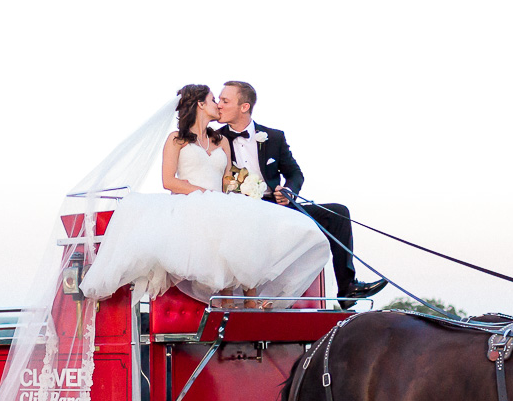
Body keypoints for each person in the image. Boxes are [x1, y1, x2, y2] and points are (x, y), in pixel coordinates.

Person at [80, 85, 333, 304]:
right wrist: (201, 192)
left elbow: (226, 178)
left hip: (220, 201)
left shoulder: (221, 140)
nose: (218, 105)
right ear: (201, 104)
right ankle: (230, 300)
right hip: (191, 201)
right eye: (214, 100)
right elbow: (169, 181)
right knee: (219, 231)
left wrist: (240, 189)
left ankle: (251, 298)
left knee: (249, 225)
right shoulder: (176, 139)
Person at [215, 80, 387, 309]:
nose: (219, 105)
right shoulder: (215, 139)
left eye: (225, 101)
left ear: (244, 107)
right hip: (239, 210)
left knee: (338, 213)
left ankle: (348, 287)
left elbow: (295, 173)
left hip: (276, 205)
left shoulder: (274, 137)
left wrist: (289, 191)